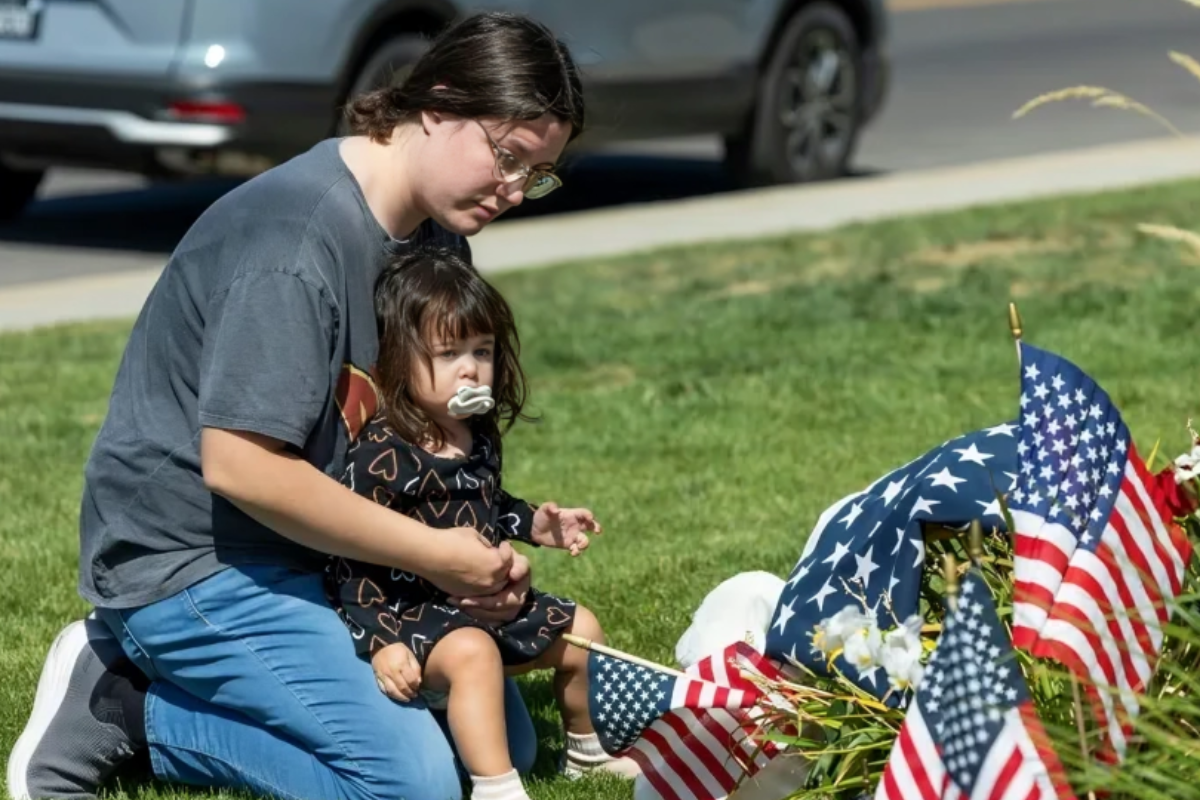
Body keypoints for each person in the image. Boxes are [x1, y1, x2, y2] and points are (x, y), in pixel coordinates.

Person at [6, 11, 584, 800]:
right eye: (509, 158)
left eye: (538, 173)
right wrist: (434, 555)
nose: (516, 191)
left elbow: (414, 448)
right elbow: (242, 468)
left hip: (325, 559)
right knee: (415, 786)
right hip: (191, 563)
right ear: (441, 104)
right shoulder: (295, 243)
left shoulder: (436, 242)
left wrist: (479, 552)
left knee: (496, 745)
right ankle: (124, 703)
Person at [328, 246, 634, 800]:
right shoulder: (382, 453)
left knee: (584, 632)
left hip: (481, 606)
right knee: (474, 653)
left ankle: (587, 753)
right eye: (449, 353)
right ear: (397, 359)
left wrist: (536, 525)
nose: (470, 367)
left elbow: (488, 504)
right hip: (412, 618)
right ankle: (497, 787)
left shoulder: (478, 433)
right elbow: (351, 559)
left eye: (482, 350)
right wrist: (379, 641)